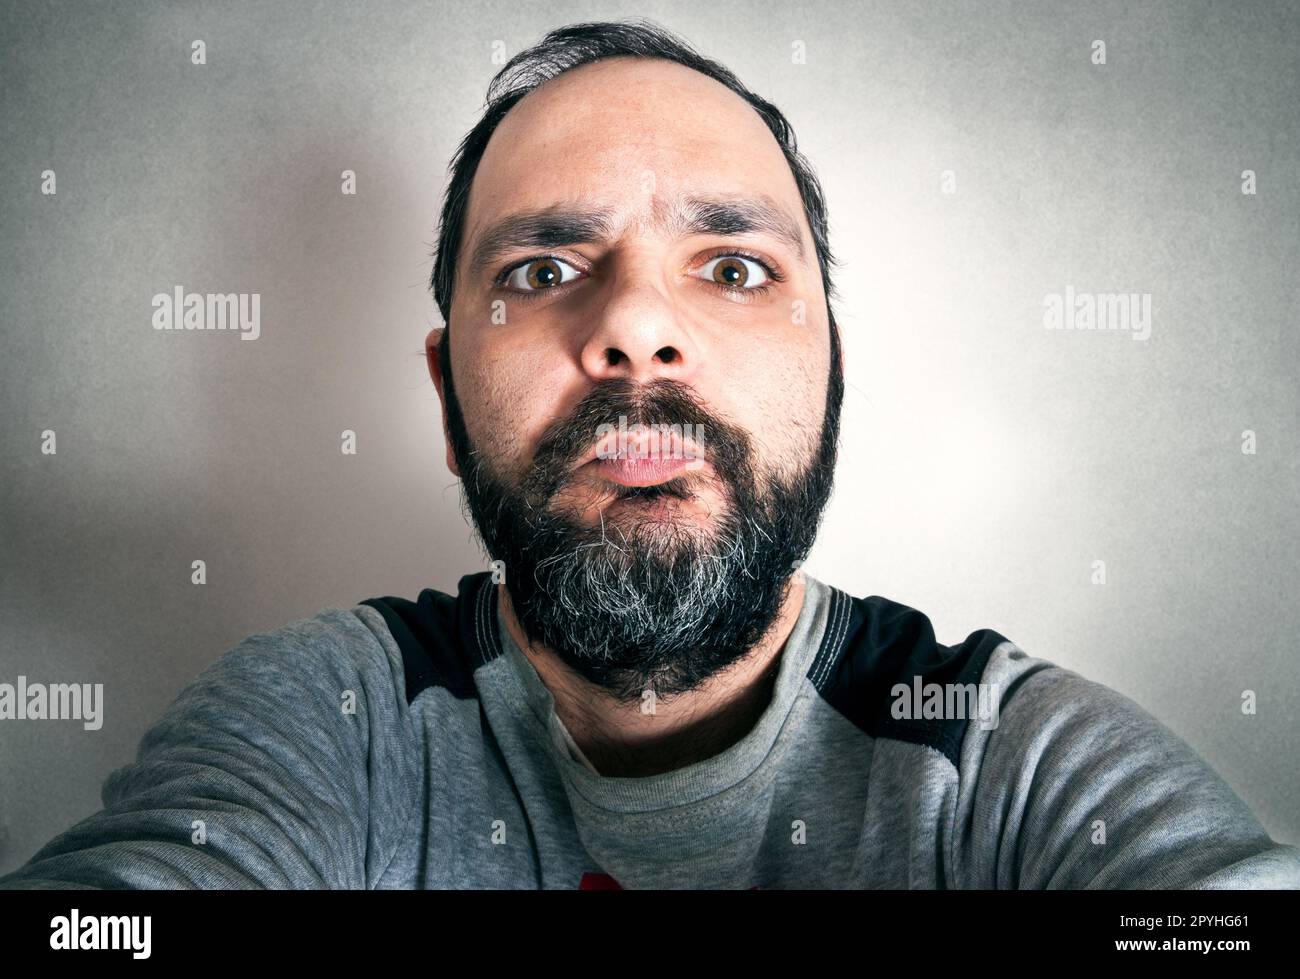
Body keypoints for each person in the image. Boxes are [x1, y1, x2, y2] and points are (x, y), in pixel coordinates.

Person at [3, 18, 1297, 890]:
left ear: (832, 373)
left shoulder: (998, 754)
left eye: (733, 268)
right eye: (545, 269)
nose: (633, 327)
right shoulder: (330, 715)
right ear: (450, 393)